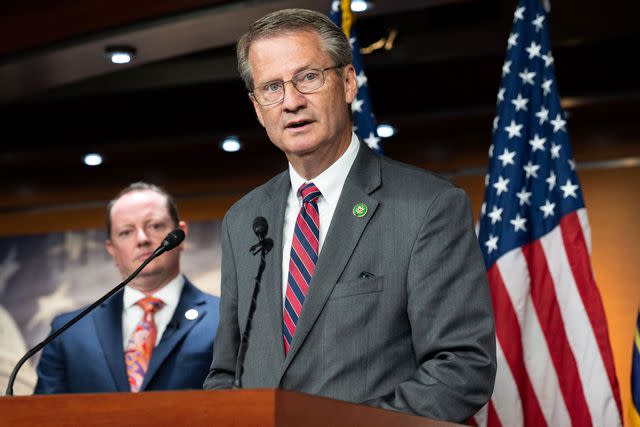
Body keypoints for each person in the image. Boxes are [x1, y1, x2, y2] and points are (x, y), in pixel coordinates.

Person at [203, 8, 496, 422]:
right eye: (272, 87)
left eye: (308, 77)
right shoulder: (243, 219)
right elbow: (226, 372)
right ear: (256, 107)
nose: (292, 102)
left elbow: (462, 367)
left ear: (347, 82)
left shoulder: (429, 205)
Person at [35, 182, 219, 393]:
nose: (142, 239)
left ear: (181, 234)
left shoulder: (227, 320)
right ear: (111, 249)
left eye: (155, 226)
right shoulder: (68, 332)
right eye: (126, 232)